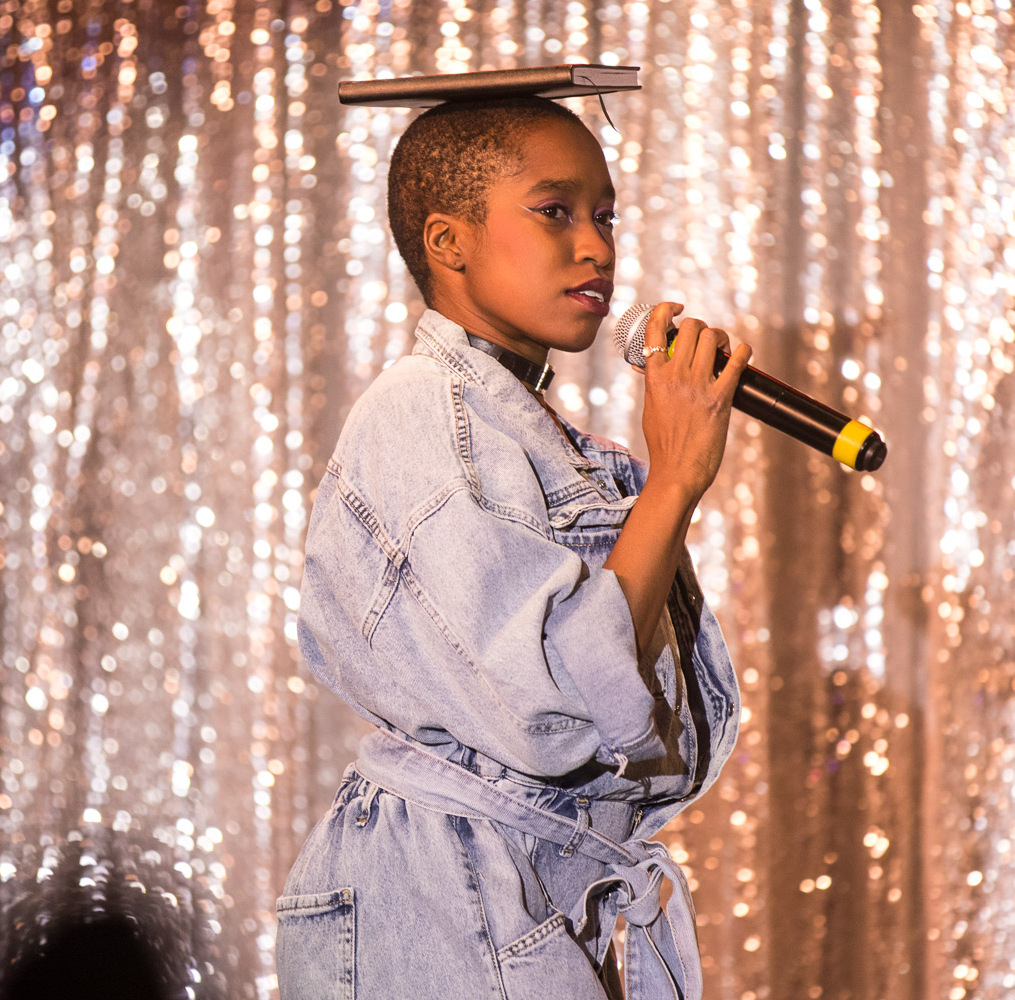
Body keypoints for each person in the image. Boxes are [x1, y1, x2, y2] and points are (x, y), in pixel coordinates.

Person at [276, 92, 749, 1000]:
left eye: (605, 215)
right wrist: (676, 480)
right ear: (448, 241)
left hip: (514, 889)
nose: (597, 246)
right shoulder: (425, 415)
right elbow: (558, 710)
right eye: (555, 211)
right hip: (443, 897)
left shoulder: (529, 431)